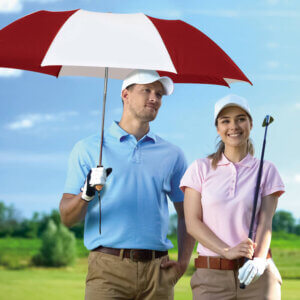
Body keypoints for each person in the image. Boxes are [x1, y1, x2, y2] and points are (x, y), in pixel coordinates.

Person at [59, 69, 195, 300]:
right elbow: (67, 218)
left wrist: (183, 262)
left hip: (158, 271)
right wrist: (86, 194)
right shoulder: (88, 148)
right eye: (147, 90)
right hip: (108, 270)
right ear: (125, 94)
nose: (155, 98)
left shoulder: (173, 154)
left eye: (159, 94)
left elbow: (187, 214)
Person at [180, 94, 284, 300]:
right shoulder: (199, 168)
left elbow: (265, 223)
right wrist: (226, 250)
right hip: (211, 279)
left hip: (258, 276)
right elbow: (192, 223)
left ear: (251, 124)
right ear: (217, 128)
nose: (233, 126)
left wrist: (259, 261)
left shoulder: (267, 169)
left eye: (240, 119)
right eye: (225, 121)